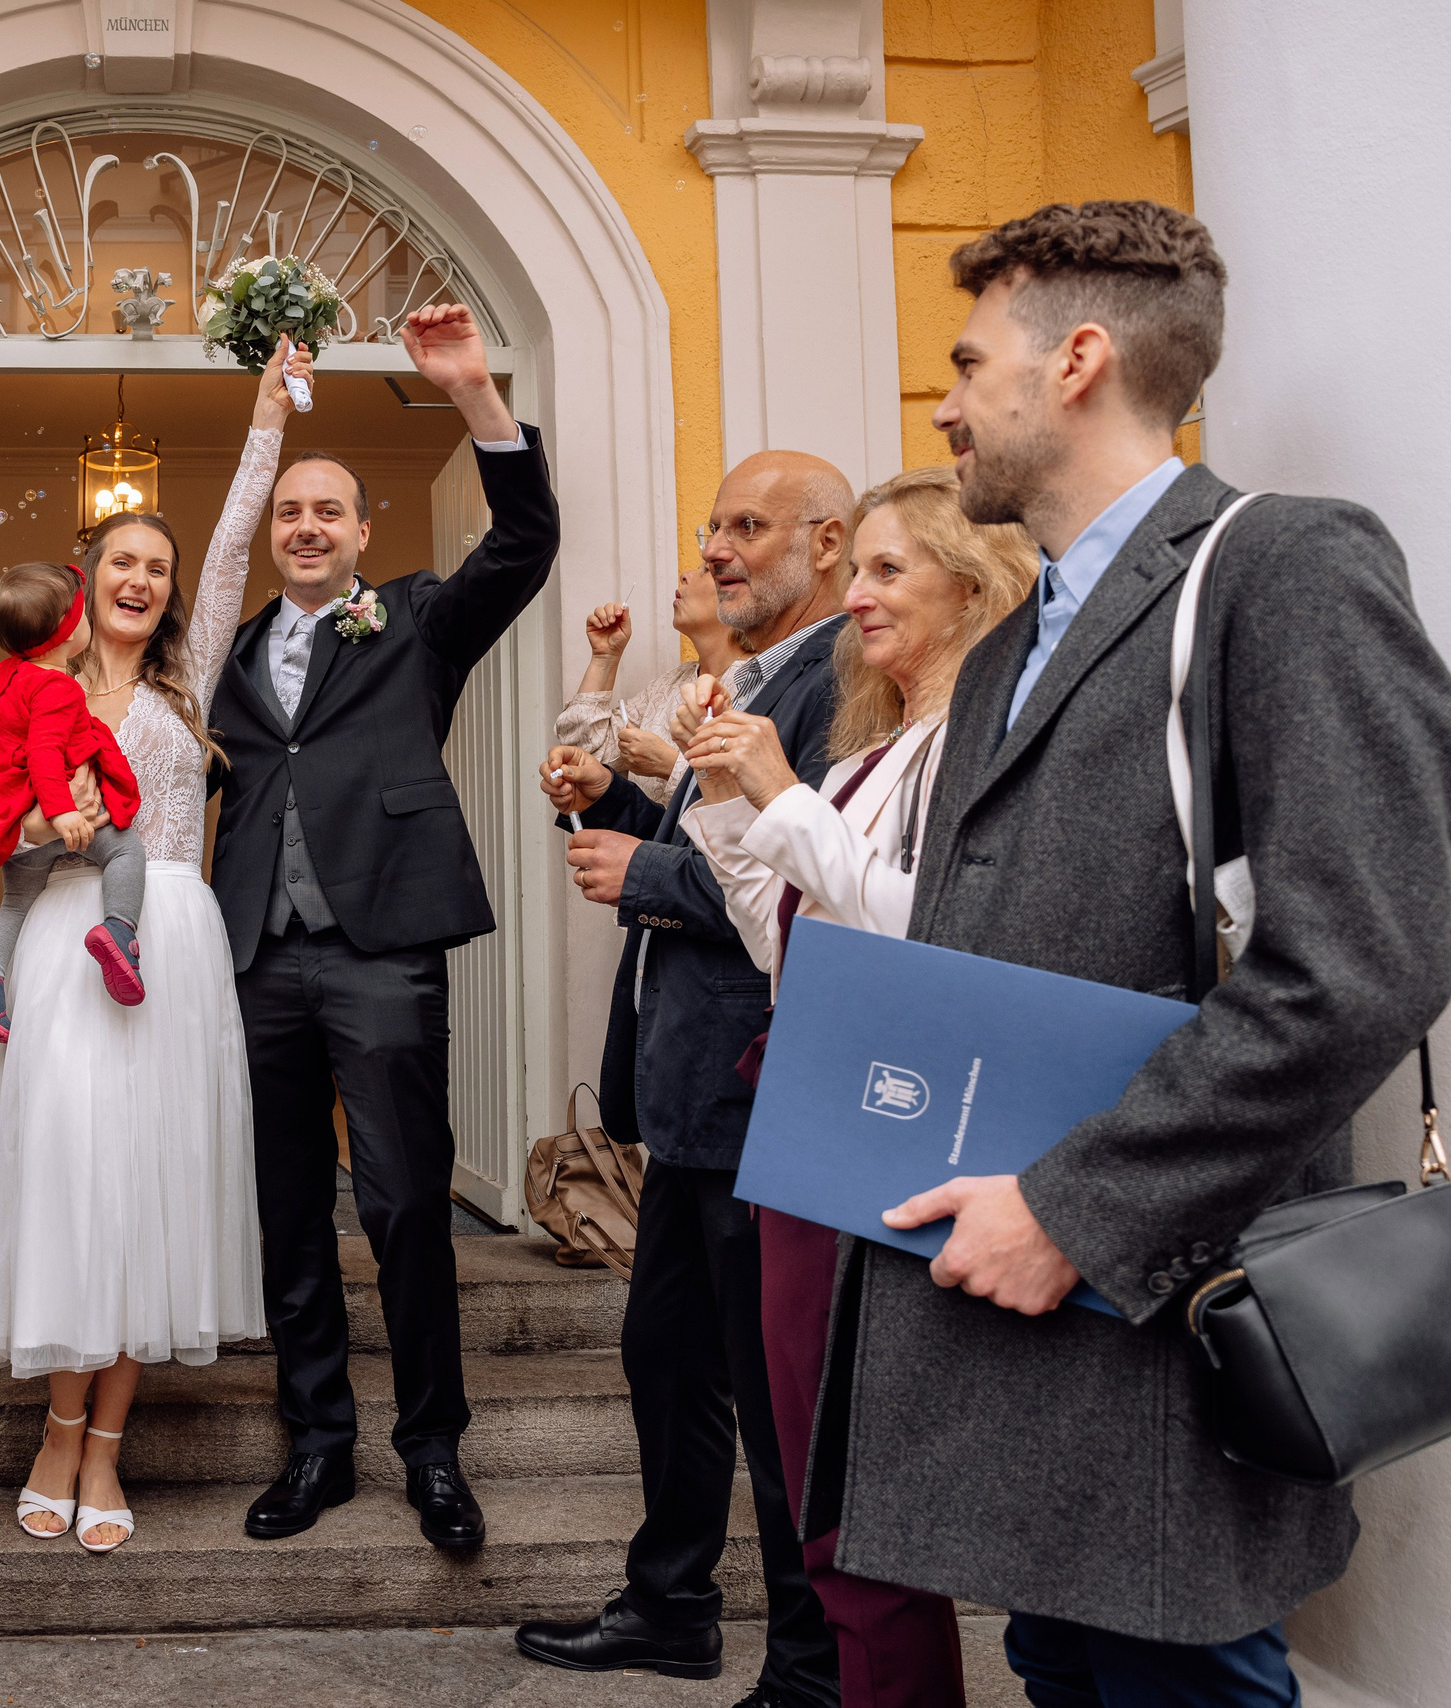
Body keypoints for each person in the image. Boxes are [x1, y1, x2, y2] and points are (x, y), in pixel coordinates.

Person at [805, 200, 1451, 1706]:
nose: (947, 404)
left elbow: (1366, 957)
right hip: (1018, 1359)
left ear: (1078, 358)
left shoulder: (1283, 567)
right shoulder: (1008, 653)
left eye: (968, 366)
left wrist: (1076, 1211)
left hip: (1156, 1334)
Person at [674, 465, 1037, 1708]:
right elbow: (790, 938)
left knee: (853, 1472)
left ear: (971, 581)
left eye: (889, 570)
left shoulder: (972, 752)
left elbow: (917, 941)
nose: (859, 596)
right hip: (808, 1090)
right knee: (803, 1450)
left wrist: (777, 791)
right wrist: (729, 807)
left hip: (885, 1111)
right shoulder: (875, 751)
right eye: (860, 567)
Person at [216, 304, 558, 1554]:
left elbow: (524, 538)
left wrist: (472, 393)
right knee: (288, 1209)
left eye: (329, 513)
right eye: (289, 513)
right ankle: (316, 1444)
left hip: (383, 955)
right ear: (271, 534)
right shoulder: (227, 653)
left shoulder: (414, 620)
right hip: (256, 960)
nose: (307, 527)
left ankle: (433, 1448)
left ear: (362, 532)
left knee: (407, 1202)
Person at [0, 342, 311, 1555]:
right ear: (86, 574)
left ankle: (104, 1451)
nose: (147, 580)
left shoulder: (186, 682)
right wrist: (36, 823)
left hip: (171, 937)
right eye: (125, 560)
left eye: (158, 568)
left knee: (148, 1186)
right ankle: (54, 1429)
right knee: (70, 1177)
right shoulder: (25, 689)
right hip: (64, 939)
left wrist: (264, 421)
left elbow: (227, 559)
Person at [519, 448, 854, 1704]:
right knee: (667, 1361)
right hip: (692, 1097)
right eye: (711, 525)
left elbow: (810, 884)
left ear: (825, 543)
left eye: (747, 526)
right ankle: (671, 1606)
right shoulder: (743, 680)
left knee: (775, 1407)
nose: (714, 547)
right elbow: (712, 837)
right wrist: (618, 805)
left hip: (762, 1092)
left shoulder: (835, 682)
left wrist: (643, 872)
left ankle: (808, 1667)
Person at [0, 559, 150, 1040]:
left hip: (13, 810)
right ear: (63, 636)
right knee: (124, 848)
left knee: (15, 905)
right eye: (80, 617)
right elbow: (44, 753)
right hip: (56, 814)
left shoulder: (5, 674)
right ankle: (119, 929)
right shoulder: (58, 688)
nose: (86, 623)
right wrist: (61, 812)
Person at [553, 564, 750, 806]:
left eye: (706, 571)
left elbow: (753, 803)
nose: (685, 575)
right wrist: (605, 658)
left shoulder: (761, 683)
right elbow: (587, 756)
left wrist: (668, 765)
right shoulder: (669, 684)